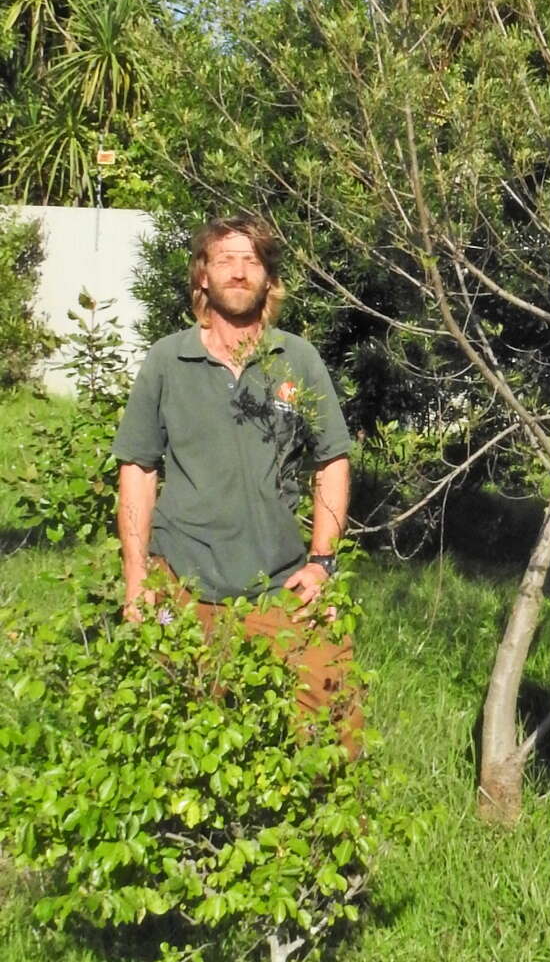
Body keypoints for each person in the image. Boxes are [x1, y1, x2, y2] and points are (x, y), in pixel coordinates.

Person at [113, 213, 358, 743]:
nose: (240, 272)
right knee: (176, 739)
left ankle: (323, 827)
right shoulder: (167, 360)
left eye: (252, 261)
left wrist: (321, 562)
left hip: (279, 582)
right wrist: (138, 580)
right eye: (225, 259)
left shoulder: (297, 359)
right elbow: (137, 469)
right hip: (181, 579)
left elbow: (332, 460)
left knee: (333, 724)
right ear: (202, 276)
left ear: (269, 279)